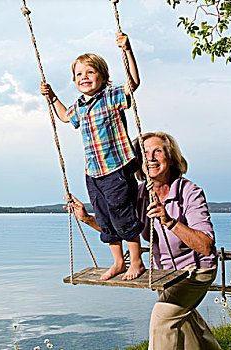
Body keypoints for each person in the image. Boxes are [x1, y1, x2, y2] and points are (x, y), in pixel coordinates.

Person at [65, 131, 222, 350]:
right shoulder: (138, 193)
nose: (151, 158)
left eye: (157, 151)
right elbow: (126, 230)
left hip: (195, 271)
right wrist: (87, 219)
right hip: (164, 274)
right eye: (145, 153)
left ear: (170, 157)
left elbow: (205, 246)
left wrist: (169, 221)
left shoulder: (190, 192)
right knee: (187, 326)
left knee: (163, 316)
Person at [40, 32, 144, 281]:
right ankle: (118, 262)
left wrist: (127, 50)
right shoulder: (80, 106)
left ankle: (136, 261)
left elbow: (134, 83)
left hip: (116, 168)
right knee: (104, 216)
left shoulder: (111, 96)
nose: (84, 77)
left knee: (122, 213)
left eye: (90, 72)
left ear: (103, 76)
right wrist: (52, 97)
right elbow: (65, 117)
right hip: (93, 172)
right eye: (79, 74)